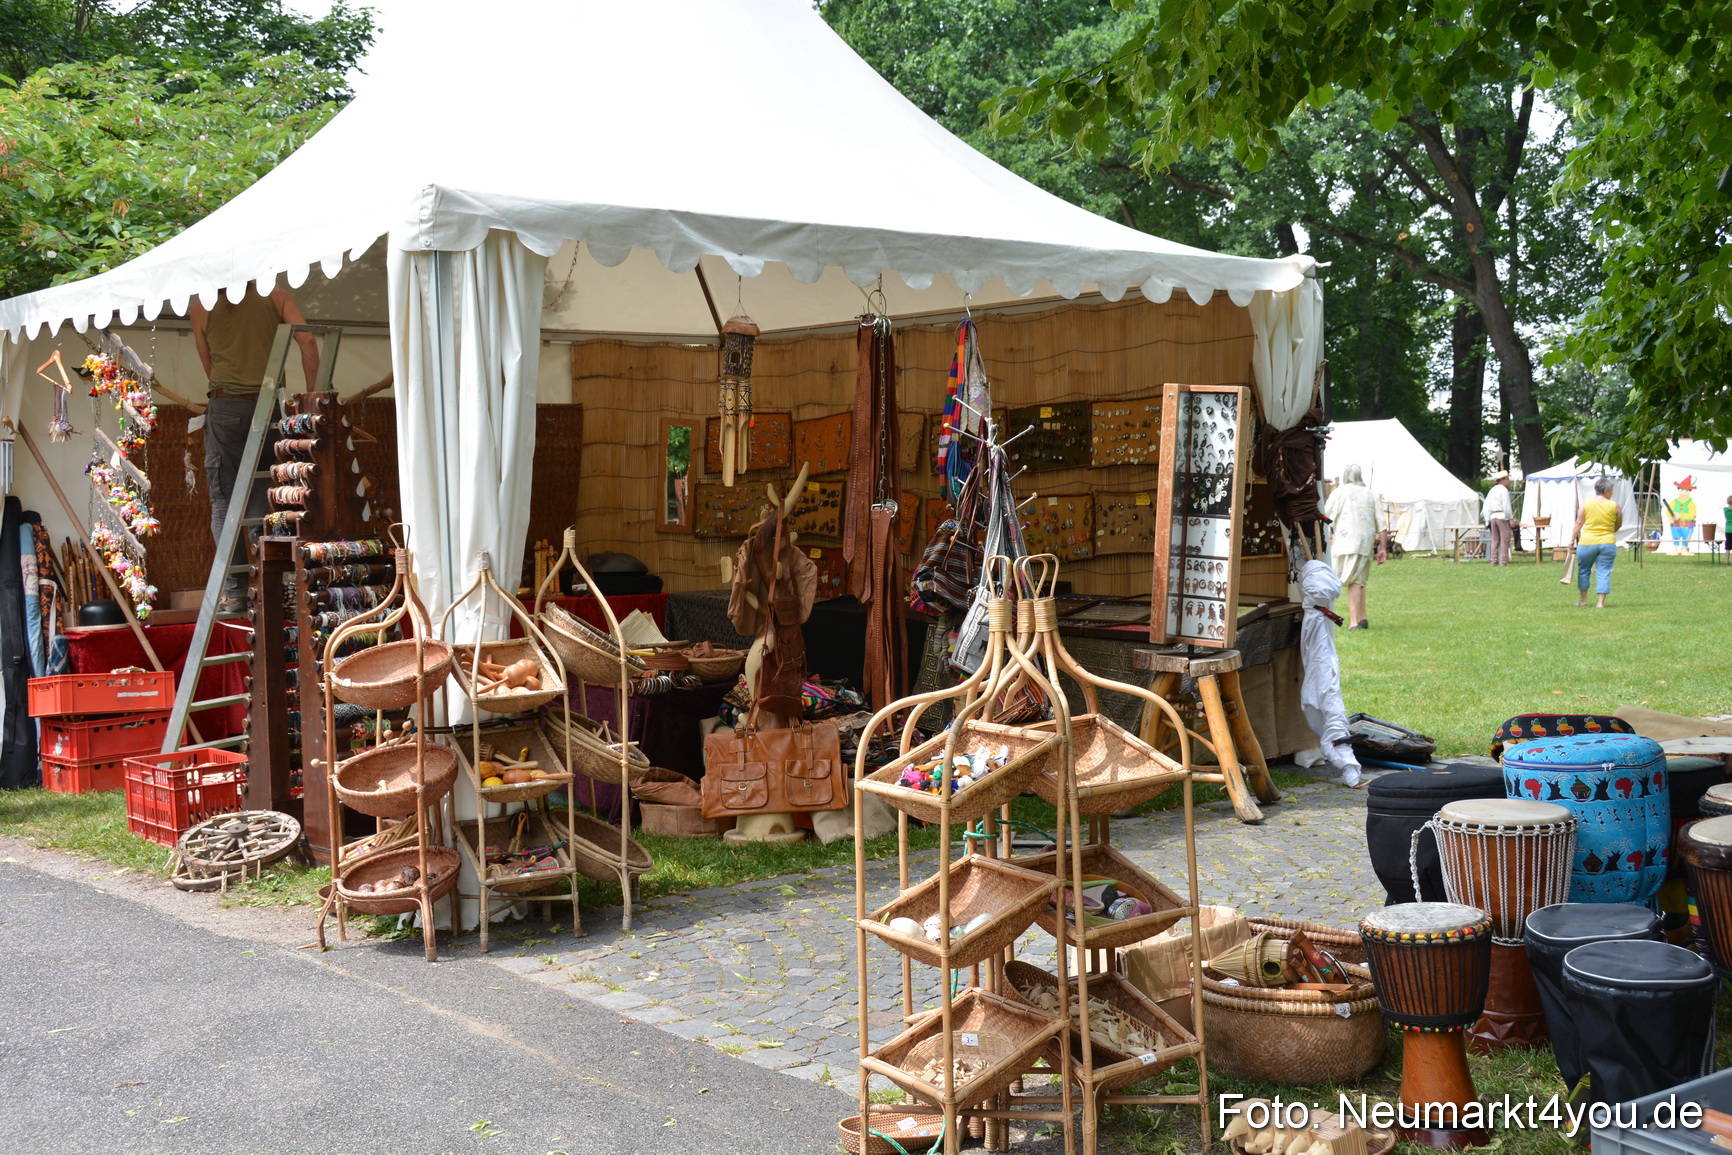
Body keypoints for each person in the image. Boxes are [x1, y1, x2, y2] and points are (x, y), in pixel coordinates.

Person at [189, 285, 319, 613]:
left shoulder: (202, 304)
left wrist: (230, 391)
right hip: (268, 407)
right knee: (267, 499)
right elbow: (307, 340)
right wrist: (312, 395)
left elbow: (207, 362)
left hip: (226, 407)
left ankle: (234, 593)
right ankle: (271, 589)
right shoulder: (276, 296)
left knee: (223, 502)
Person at [1324, 464, 1382, 630]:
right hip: (1366, 543)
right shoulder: (1370, 494)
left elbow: (1326, 516)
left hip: (1345, 543)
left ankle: (1354, 622)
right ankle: (1363, 618)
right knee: (1360, 580)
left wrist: (1326, 535)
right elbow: (1382, 524)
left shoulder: (1339, 492)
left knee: (1352, 580)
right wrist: (1383, 547)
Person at [1572, 477, 1622, 608]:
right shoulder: (1614, 505)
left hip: (1587, 542)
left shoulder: (1586, 504)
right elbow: (1618, 524)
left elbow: (1579, 523)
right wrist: (1610, 531)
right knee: (1604, 571)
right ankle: (1600, 602)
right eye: (1611, 491)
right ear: (1606, 491)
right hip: (1607, 542)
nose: (1612, 493)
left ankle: (1583, 600)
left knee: (1584, 570)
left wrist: (1572, 540)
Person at [1483, 468, 1515, 565]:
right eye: (1507, 479)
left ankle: (1494, 560)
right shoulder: (1503, 490)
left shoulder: (1492, 490)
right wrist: (1510, 518)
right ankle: (1503, 561)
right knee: (1505, 540)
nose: (1508, 481)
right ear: (1502, 480)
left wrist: (1487, 520)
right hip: (1502, 516)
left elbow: (1486, 506)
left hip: (1493, 517)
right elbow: (1506, 506)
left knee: (1495, 540)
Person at [1667, 476, 1697, 554]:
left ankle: (1684, 549)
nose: (1683, 493)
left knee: (1686, 536)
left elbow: (1693, 514)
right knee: (1675, 535)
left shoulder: (1691, 503)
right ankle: (1675, 549)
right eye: (1682, 490)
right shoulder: (1675, 501)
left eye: (1686, 491)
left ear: (1689, 492)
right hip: (1675, 524)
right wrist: (1671, 516)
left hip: (1687, 524)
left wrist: (1681, 515)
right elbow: (1668, 511)